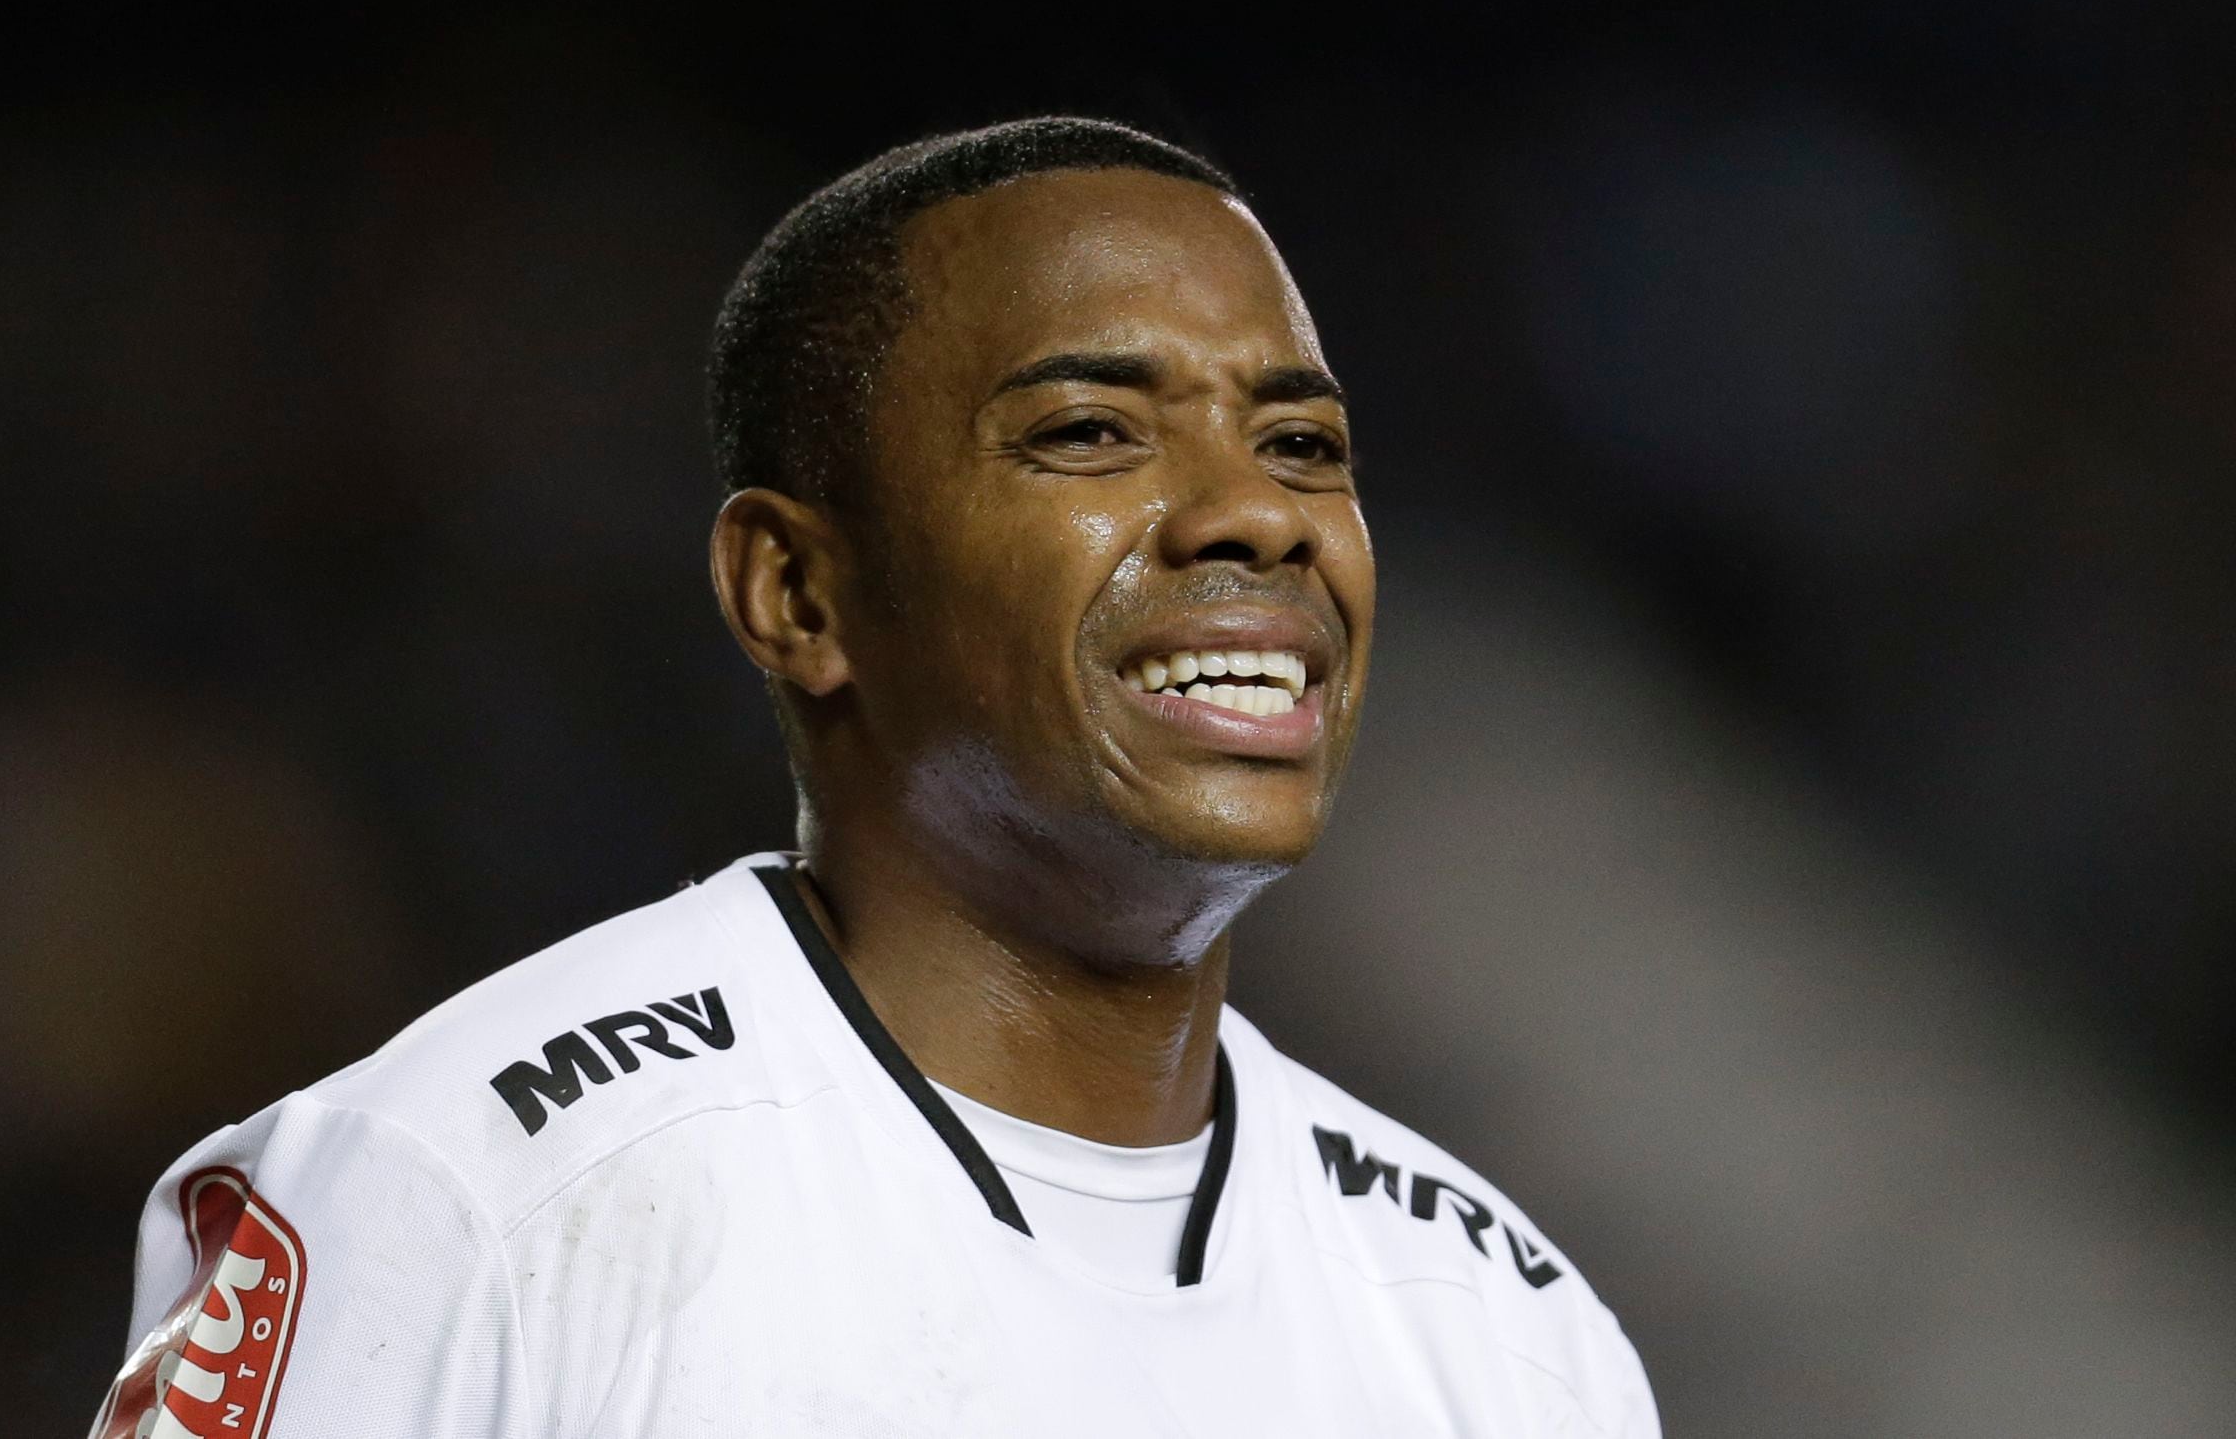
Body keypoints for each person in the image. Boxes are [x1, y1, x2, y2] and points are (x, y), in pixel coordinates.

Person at [91, 117, 1661, 1438]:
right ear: (797, 593)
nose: (1254, 515)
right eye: (1094, 431)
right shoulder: (472, 1193)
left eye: (1305, 445)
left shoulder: (1505, 1335)